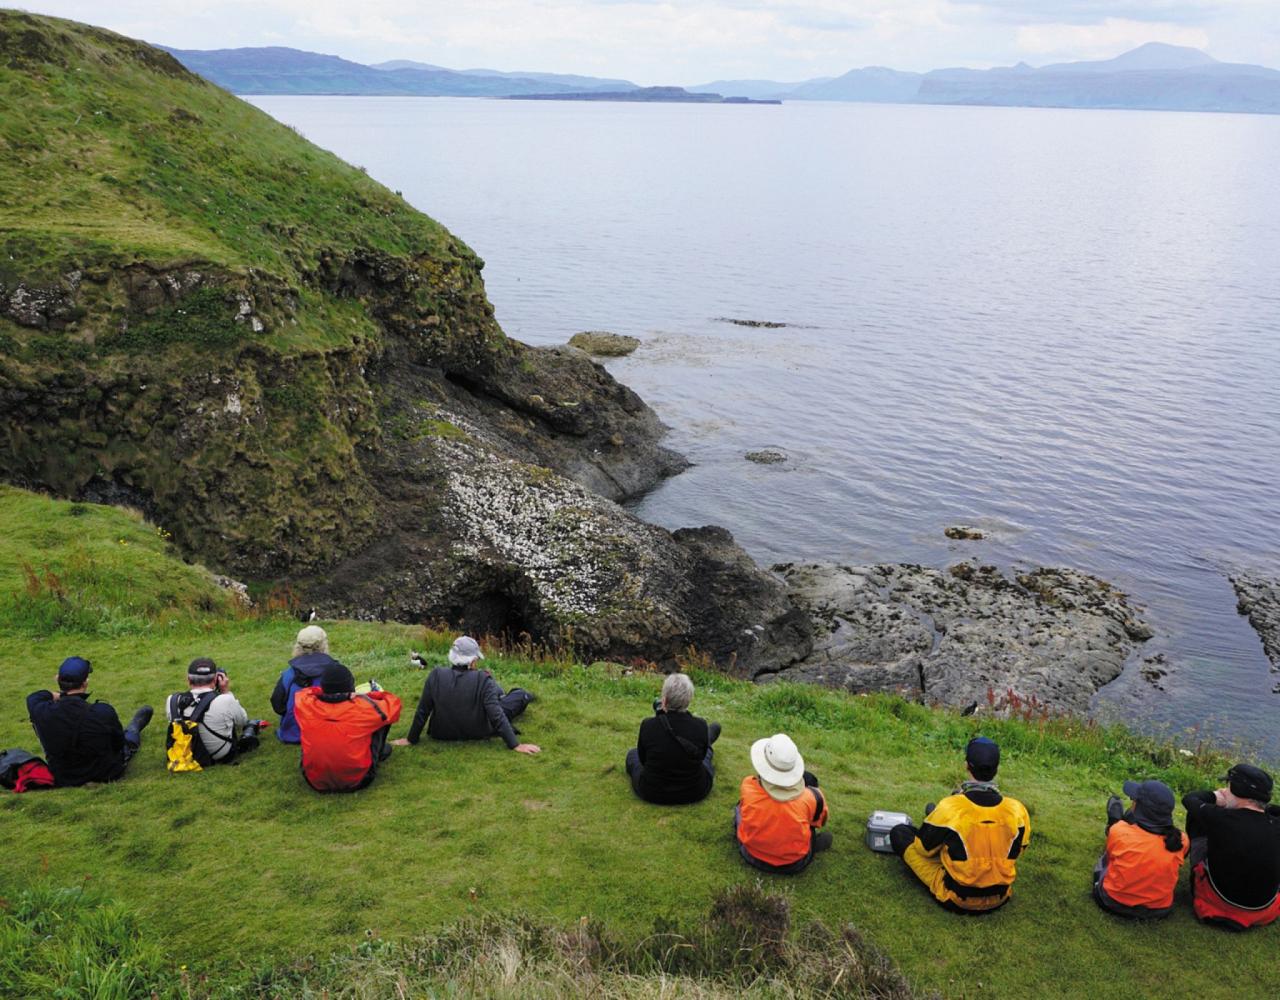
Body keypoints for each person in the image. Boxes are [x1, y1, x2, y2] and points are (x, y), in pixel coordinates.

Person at [888, 737, 1030, 913]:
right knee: (948, 831)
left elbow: (923, 849)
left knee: (900, 833)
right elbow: (1019, 850)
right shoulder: (1017, 809)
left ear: (967, 766)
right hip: (1000, 897)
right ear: (996, 769)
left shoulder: (951, 807)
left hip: (957, 897)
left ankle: (936, 826)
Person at [391, 636, 539, 754]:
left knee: (496, 691)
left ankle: (503, 694)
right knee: (518, 695)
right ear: (473, 661)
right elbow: (495, 713)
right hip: (478, 731)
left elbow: (423, 711)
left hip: (441, 733)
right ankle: (524, 695)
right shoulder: (483, 678)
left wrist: (411, 739)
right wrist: (515, 745)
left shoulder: (435, 675)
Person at [26, 656, 153, 787]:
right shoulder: (102, 711)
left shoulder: (41, 709)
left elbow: (35, 696)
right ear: (85, 683)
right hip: (104, 773)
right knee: (128, 738)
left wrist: (60, 695)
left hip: (63, 776)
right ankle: (134, 727)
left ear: (57, 679)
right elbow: (118, 743)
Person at [1182, 763, 1280, 930]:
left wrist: (1215, 797)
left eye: (1228, 786)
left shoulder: (1221, 818)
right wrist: (1265, 807)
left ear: (1237, 790)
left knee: (1196, 817)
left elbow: (1190, 799)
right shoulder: (1275, 824)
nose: (1224, 789)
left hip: (1218, 902)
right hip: (1263, 908)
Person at [294, 662, 402, 792]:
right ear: (351, 687)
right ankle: (377, 754)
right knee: (382, 718)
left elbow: (304, 692)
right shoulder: (364, 708)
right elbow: (393, 703)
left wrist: (326, 692)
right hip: (359, 780)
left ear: (323, 686)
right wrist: (367, 695)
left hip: (313, 780)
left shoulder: (305, 704)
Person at [734, 732, 831, 873]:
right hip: (794, 864)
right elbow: (818, 822)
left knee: (739, 808)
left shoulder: (749, 785)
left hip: (751, 854)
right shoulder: (813, 797)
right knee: (809, 821)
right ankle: (809, 845)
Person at [1092, 779, 1188, 919]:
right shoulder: (1182, 840)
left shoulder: (1120, 831)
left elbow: (1111, 856)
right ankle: (1117, 821)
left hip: (1112, 901)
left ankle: (1113, 821)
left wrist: (1116, 826)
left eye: (1134, 799)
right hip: (1159, 910)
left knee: (1106, 862)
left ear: (1138, 806)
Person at [625, 673, 720, 804]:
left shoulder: (648, 725)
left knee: (632, 754)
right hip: (695, 791)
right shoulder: (700, 725)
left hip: (652, 792)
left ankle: (709, 738)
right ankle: (709, 738)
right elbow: (701, 757)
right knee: (706, 757)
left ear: (664, 700)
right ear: (688, 700)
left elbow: (643, 759)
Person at [165, 658, 263, 766]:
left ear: (188, 679)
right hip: (218, 754)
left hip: (184, 753)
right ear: (215, 679)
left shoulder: (172, 700)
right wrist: (225, 691)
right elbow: (242, 721)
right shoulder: (225, 699)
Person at [271, 625, 340, 744]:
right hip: (326, 731)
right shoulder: (336, 672)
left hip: (293, 734)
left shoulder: (288, 674)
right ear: (324, 645)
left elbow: (278, 705)